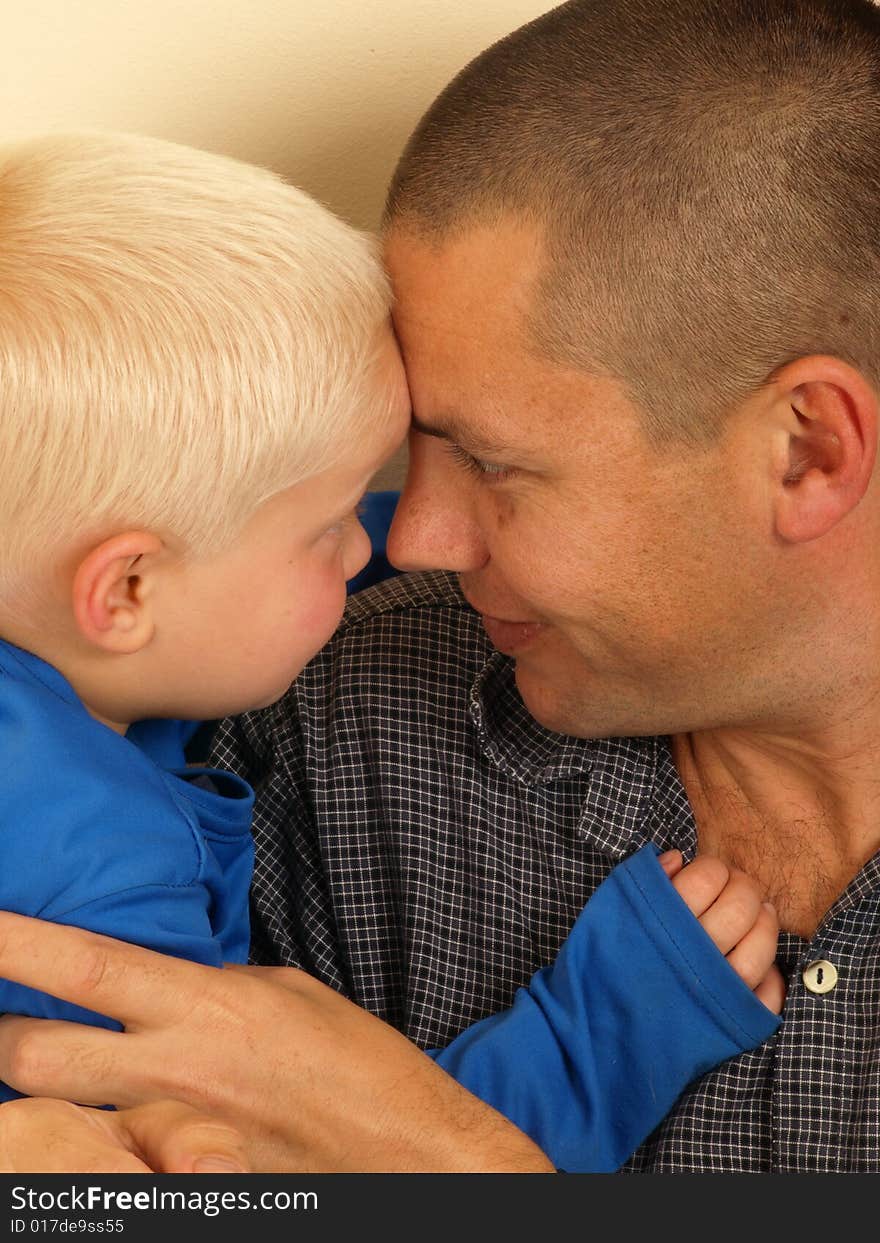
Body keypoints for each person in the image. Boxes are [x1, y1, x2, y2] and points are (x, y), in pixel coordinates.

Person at [0, 0, 874, 1172]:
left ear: (808, 452)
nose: (406, 536)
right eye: (402, 458)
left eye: (494, 463)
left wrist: (453, 1160)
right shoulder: (298, 712)